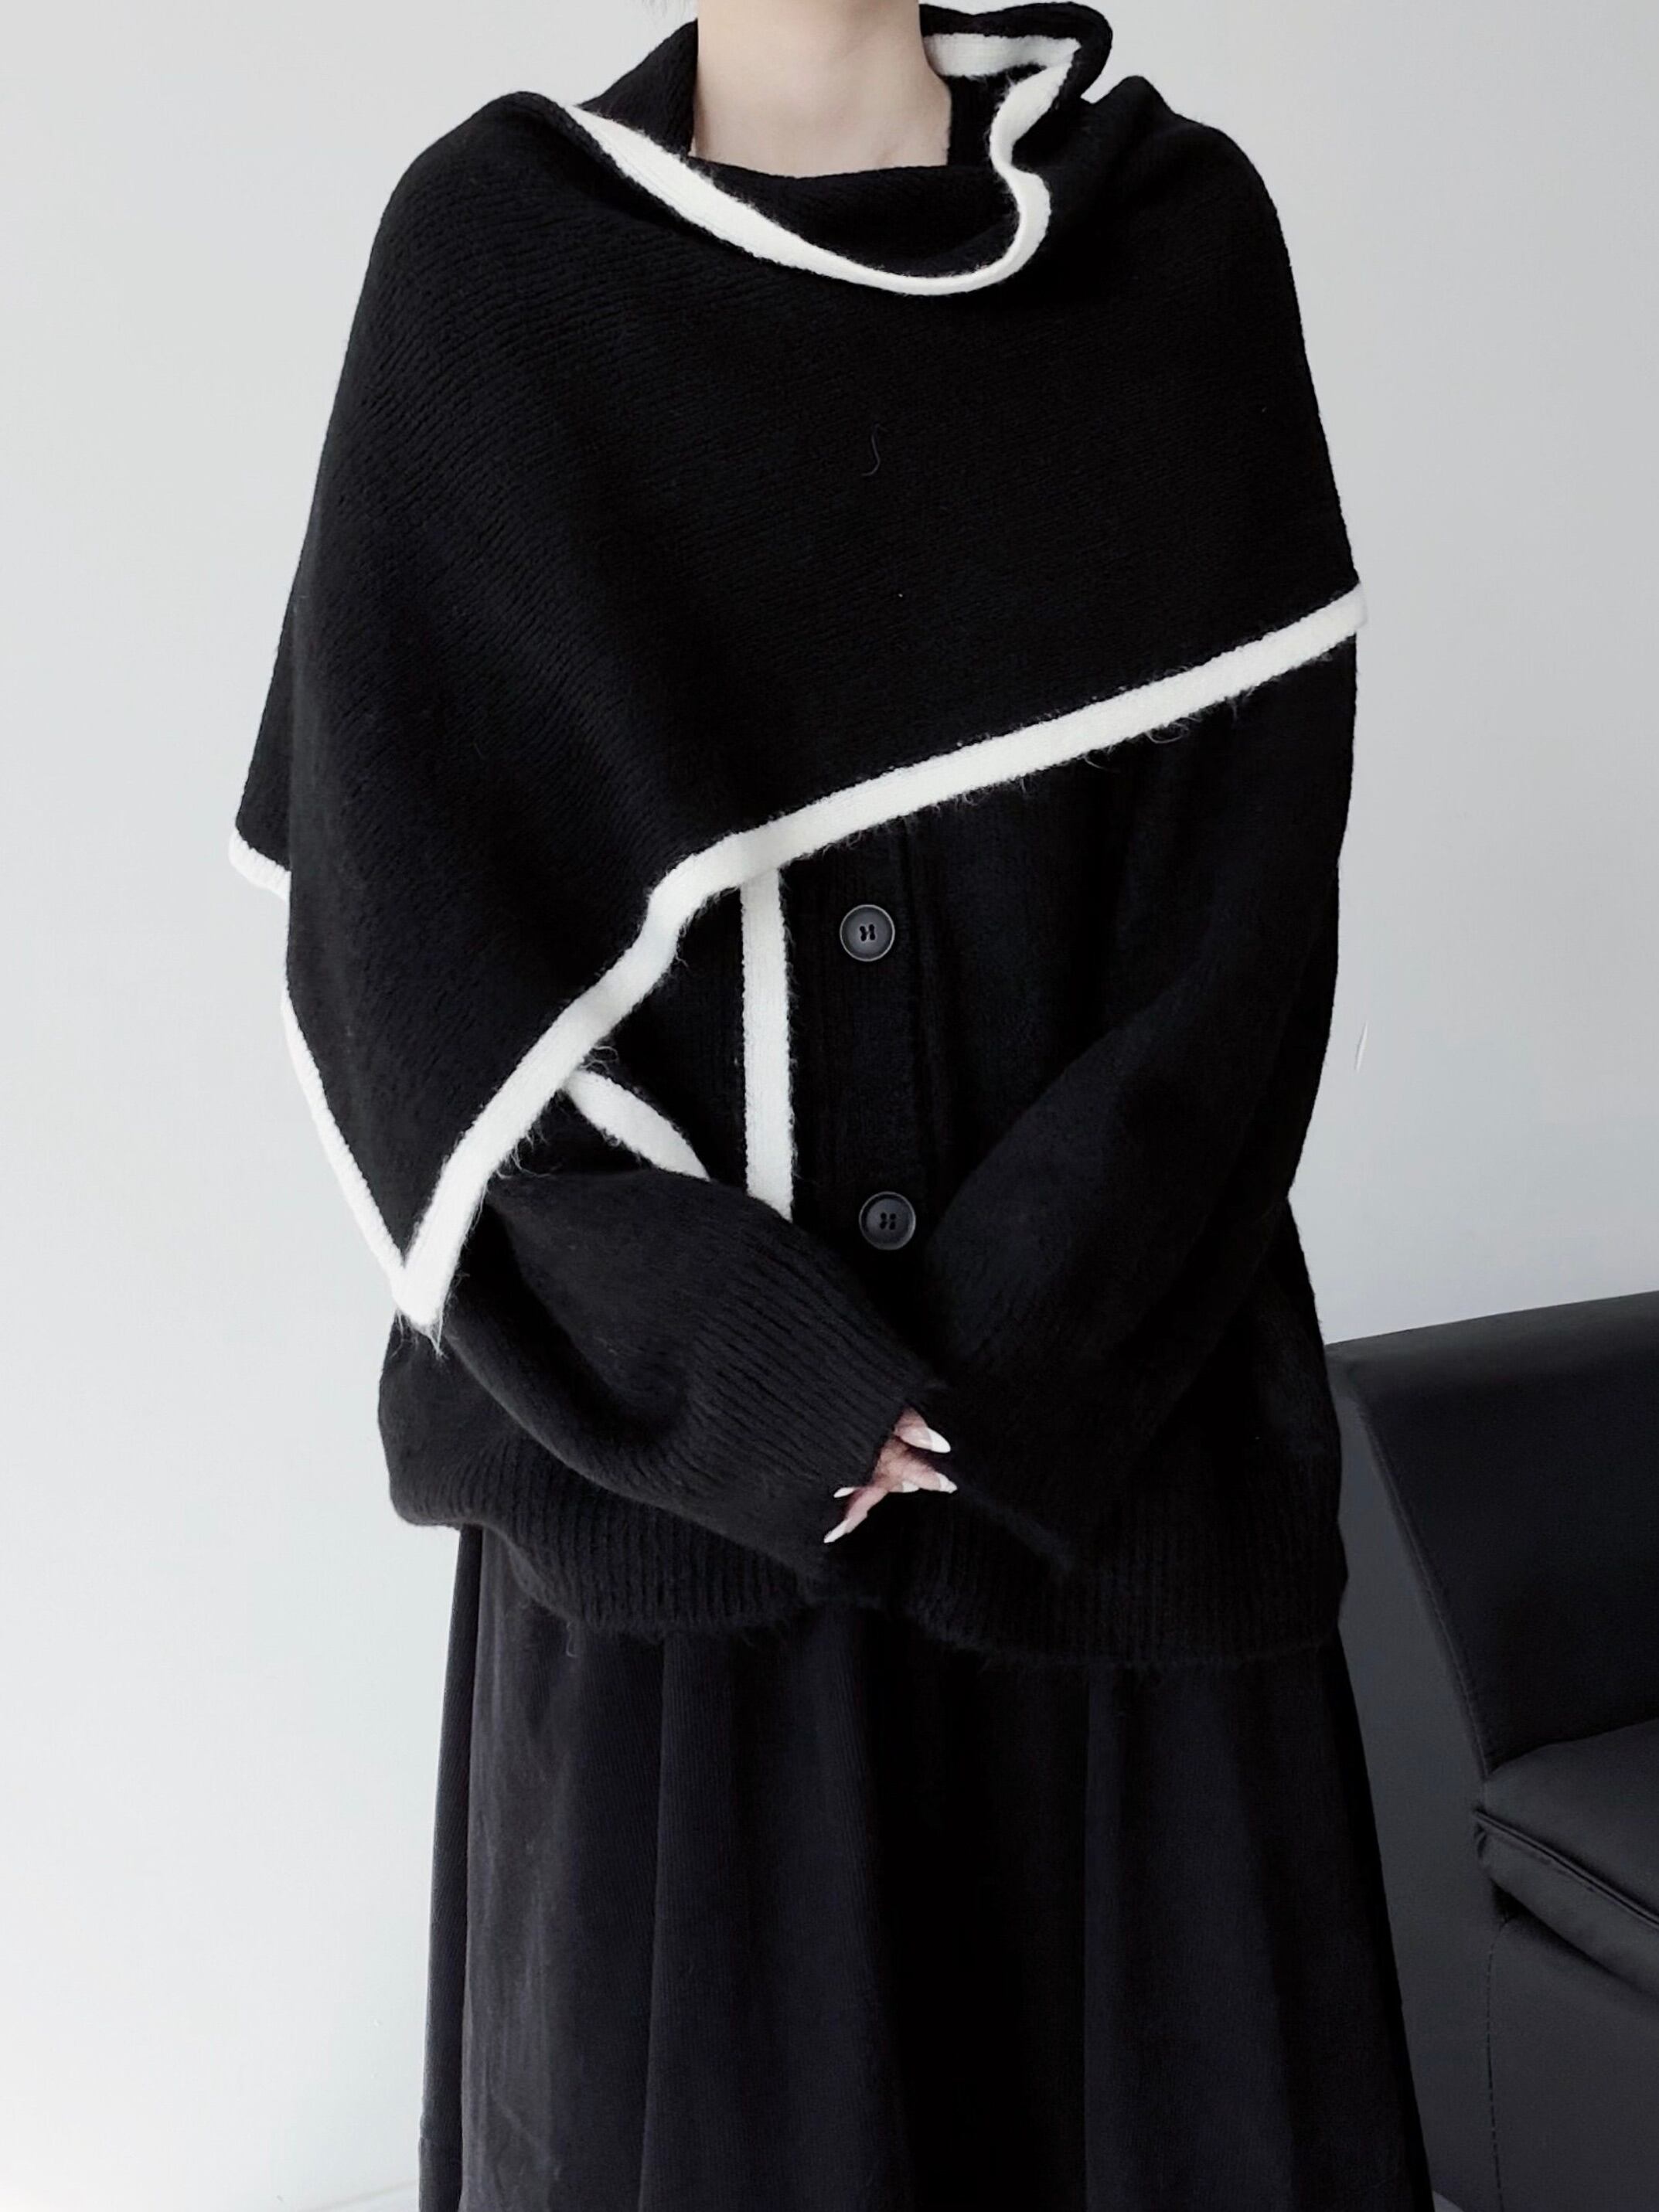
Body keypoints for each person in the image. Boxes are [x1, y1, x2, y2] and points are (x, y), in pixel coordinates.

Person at [231, 1, 1437, 2204]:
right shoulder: (499, 259)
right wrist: (749, 1370)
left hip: (1115, 1509)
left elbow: (1242, 932)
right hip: (676, 1552)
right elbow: (401, 962)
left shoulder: (1165, 238)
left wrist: (995, 1366)